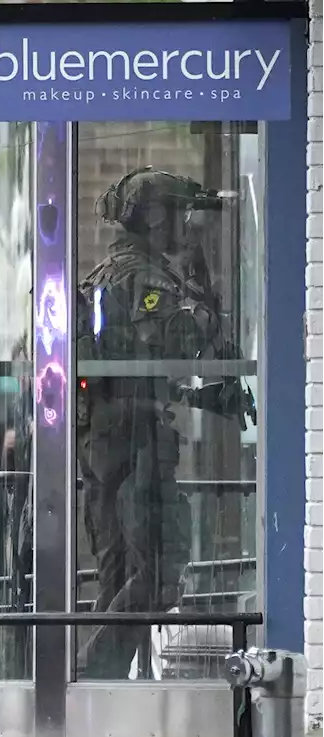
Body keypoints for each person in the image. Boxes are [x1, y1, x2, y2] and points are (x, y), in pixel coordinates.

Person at [73, 166, 254, 678]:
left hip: (108, 440)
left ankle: (99, 686)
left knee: (120, 576)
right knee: (158, 573)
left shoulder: (108, 273)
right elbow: (181, 346)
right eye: (181, 214)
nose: (187, 225)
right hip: (137, 438)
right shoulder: (145, 279)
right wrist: (202, 297)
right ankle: (92, 673)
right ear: (156, 218)